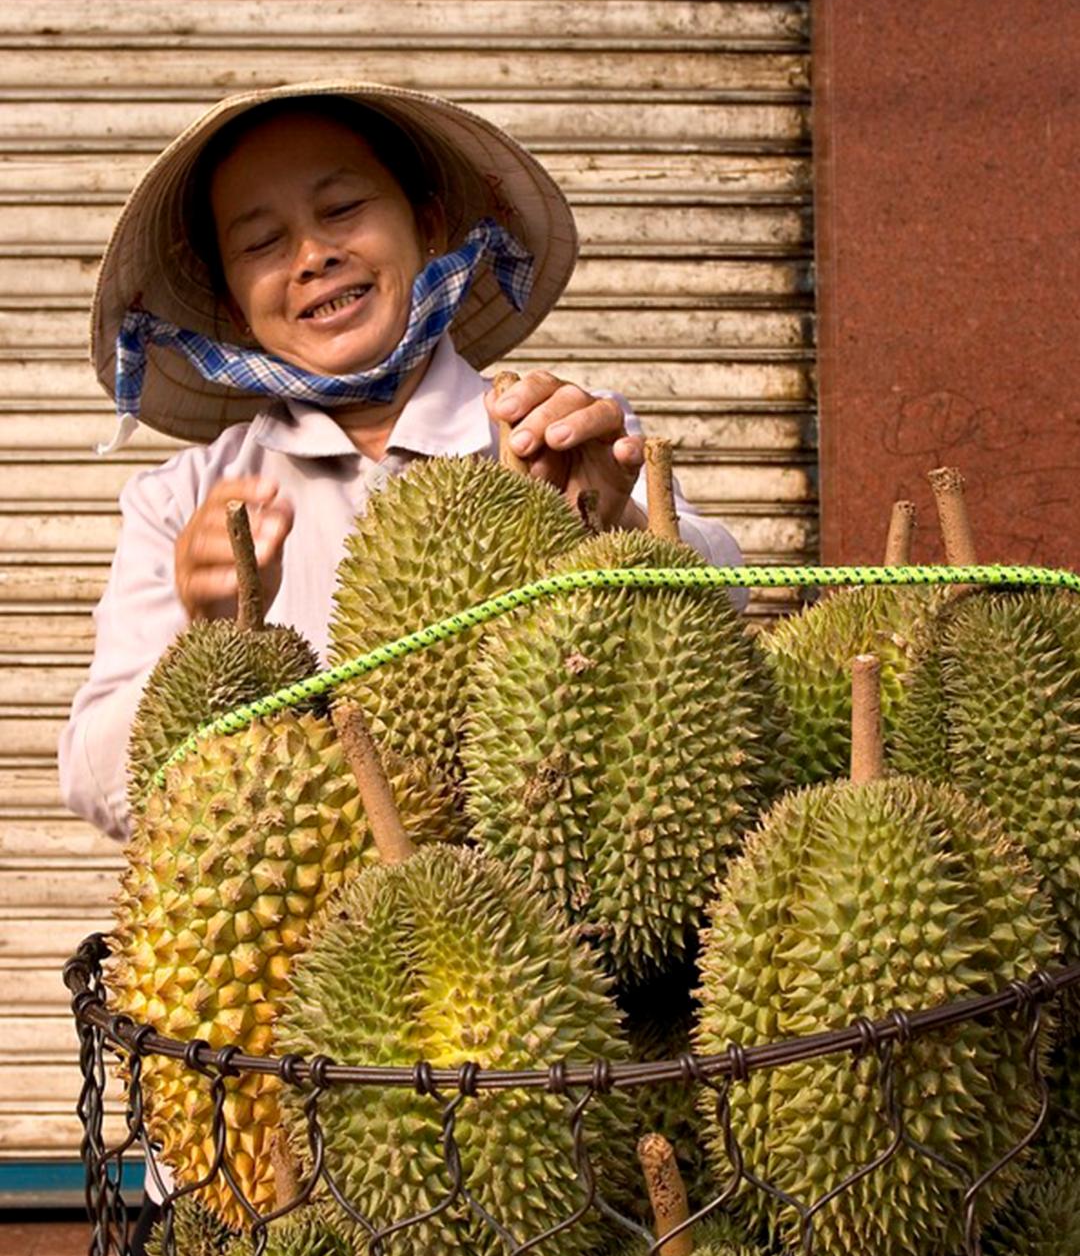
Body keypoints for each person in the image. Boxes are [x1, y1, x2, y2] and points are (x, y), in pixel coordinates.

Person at [59, 81, 745, 842]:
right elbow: (93, 778)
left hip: (540, 914)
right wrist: (205, 635)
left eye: (343, 208)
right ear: (231, 302)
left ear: (427, 222)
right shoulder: (182, 498)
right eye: (261, 243)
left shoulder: (551, 432)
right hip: (315, 929)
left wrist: (619, 517)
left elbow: (731, 616)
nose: (313, 256)